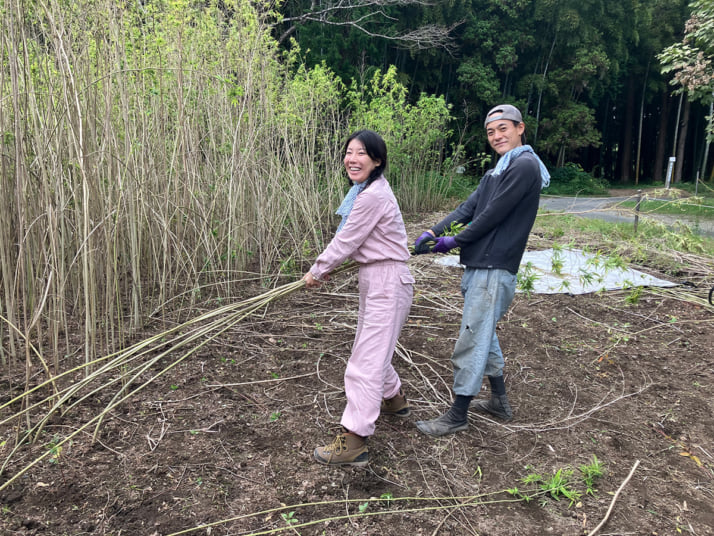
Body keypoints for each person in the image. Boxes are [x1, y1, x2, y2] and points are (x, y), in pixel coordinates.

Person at [413, 104, 550, 437]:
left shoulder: (525, 166)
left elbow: (492, 216)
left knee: (473, 339)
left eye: (503, 128)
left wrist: (453, 241)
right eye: (490, 132)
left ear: (521, 129)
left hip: (494, 266)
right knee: (483, 332)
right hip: (480, 264)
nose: (496, 136)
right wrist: (433, 232)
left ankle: (458, 414)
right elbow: (471, 206)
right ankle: (499, 401)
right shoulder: (498, 171)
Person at [302, 129, 415, 465]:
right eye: (349, 152)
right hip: (380, 279)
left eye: (361, 153)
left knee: (365, 359)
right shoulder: (367, 191)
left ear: (377, 160)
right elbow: (358, 242)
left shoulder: (371, 196)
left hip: (387, 282)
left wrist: (317, 270)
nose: (352, 159)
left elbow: (347, 241)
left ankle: (354, 440)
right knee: (373, 348)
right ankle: (393, 399)